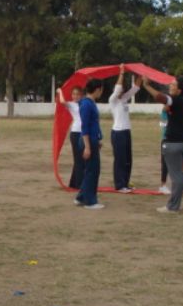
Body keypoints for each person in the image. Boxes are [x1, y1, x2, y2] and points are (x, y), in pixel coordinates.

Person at [141, 76, 183, 213]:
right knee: (180, 173)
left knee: (176, 177)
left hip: (173, 144)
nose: (170, 86)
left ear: (179, 89)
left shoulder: (175, 100)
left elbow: (161, 97)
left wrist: (146, 86)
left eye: (173, 84)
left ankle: (173, 207)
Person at [109, 64, 141, 193]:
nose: (121, 90)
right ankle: (119, 185)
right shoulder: (113, 100)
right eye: (119, 88)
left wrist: (141, 73)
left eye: (122, 89)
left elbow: (137, 87)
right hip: (118, 133)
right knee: (120, 159)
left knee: (128, 159)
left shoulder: (125, 98)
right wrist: (121, 73)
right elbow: (117, 89)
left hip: (126, 132)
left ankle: (125, 183)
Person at [74, 78, 105, 210]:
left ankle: (81, 197)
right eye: (101, 90)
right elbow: (85, 127)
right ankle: (90, 201)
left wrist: (97, 140)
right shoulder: (87, 104)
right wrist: (87, 146)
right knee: (93, 171)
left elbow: (93, 124)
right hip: (87, 140)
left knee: (90, 170)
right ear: (97, 89)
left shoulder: (90, 103)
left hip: (92, 140)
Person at [57, 86, 85, 189]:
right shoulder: (72, 104)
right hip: (76, 133)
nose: (75, 96)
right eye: (74, 94)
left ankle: (74, 183)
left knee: (81, 159)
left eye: (78, 94)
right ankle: (78, 184)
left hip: (84, 134)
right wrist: (60, 91)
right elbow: (62, 101)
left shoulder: (84, 103)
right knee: (78, 159)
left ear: (82, 95)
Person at [158, 106, 171, 195]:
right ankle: (163, 185)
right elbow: (163, 124)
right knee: (165, 163)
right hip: (166, 140)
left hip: (176, 140)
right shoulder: (165, 113)